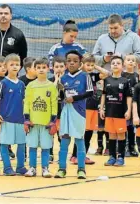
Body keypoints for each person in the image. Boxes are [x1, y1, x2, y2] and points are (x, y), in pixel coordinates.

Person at [56, 50, 93, 179]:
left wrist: (75, 98)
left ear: (80, 63)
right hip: (66, 111)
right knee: (64, 141)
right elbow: (61, 97)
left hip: (79, 112)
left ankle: (81, 169)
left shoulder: (84, 76)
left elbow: (90, 93)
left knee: (79, 140)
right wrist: (60, 91)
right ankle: (61, 169)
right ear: (66, 63)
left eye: (75, 61)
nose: (72, 63)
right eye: (69, 61)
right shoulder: (63, 77)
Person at [70, 54, 109, 165]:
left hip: (93, 108)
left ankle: (82, 155)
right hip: (83, 108)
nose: (90, 67)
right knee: (81, 133)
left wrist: (95, 66)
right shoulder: (79, 75)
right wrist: (82, 66)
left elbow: (106, 74)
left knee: (89, 133)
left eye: (92, 65)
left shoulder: (93, 76)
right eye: (88, 65)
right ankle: (75, 155)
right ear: (82, 64)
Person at [0, 53, 28, 176]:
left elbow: (25, 101)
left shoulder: (22, 84)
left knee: (21, 143)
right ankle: (7, 167)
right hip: (6, 118)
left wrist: (27, 117)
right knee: (4, 143)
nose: (14, 66)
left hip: (19, 119)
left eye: (17, 64)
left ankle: (20, 166)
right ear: (6, 66)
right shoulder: (3, 83)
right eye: (11, 64)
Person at [23, 57, 58, 178]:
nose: (41, 70)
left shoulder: (52, 86)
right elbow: (27, 103)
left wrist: (53, 121)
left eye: (44, 67)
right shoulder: (31, 86)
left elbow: (54, 104)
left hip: (46, 123)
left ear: (48, 69)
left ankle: (45, 168)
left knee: (46, 146)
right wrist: (26, 119)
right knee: (32, 146)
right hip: (33, 122)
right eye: (38, 68)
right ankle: (32, 168)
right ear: (34, 69)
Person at [100, 56, 132, 167]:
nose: (115, 64)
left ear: (122, 66)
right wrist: (101, 108)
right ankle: (112, 157)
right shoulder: (106, 80)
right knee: (112, 135)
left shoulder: (125, 81)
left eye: (118, 63)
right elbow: (103, 95)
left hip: (120, 113)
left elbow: (128, 97)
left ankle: (121, 157)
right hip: (109, 112)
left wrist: (128, 110)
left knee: (121, 135)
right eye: (113, 63)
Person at [48, 56, 66, 163]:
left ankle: (62, 155)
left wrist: (62, 84)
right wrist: (56, 81)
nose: (59, 69)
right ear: (52, 68)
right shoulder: (49, 81)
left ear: (65, 67)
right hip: (51, 113)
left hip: (63, 113)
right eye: (56, 66)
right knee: (50, 134)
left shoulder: (68, 80)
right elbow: (49, 94)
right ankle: (50, 154)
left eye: (61, 66)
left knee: (62, 136)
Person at [122, 54, 140, 157]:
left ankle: (132, 147)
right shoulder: (122, 75)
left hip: (134, 106)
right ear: (124, 63)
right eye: (128, 60)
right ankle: (123, 147)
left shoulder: (137, 76)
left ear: (135, 64)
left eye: (133, 60)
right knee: (124, 126)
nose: (130, 62)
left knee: (132, 128)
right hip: (124, 105)